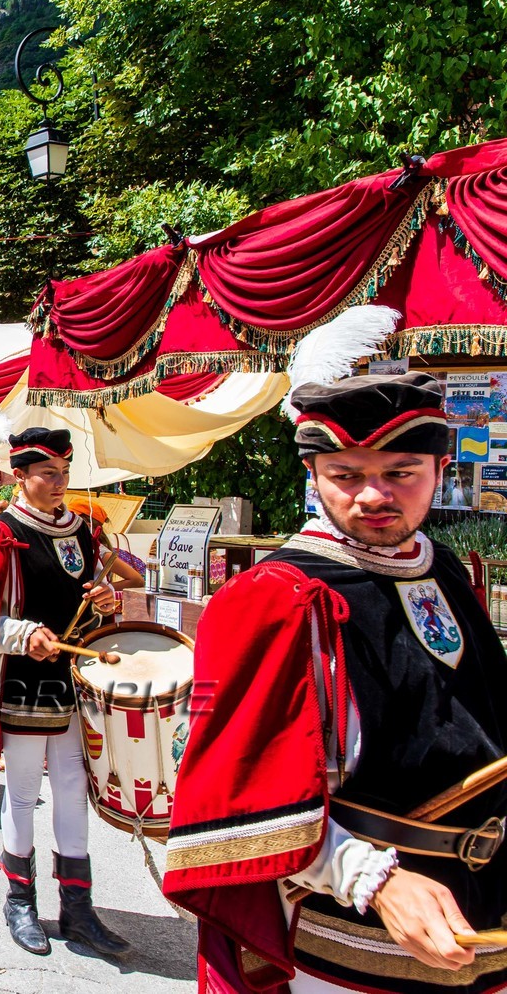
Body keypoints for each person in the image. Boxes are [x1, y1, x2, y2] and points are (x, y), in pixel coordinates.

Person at [165, 371, 507, 994]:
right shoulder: (273, 596)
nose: (374, 495)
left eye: (401, 472)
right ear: (314, 474)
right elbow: (229, 791)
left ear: (440, 468)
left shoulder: (446, 569)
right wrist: (372, 880)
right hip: (356, 936)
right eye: (346, 475)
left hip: (486, 916)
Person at [0, 427, 129, 958]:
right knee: (22, 790)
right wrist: (23, 635)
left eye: (64, 473)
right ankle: (20, 901)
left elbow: (86, 607)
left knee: (71, 787)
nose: (59, 483)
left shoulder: (83, 532)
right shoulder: (0, 535)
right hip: (22, 683)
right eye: (48, 474)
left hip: (73, 682)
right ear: (18, 476)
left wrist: (105, 601)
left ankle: (78, 908)